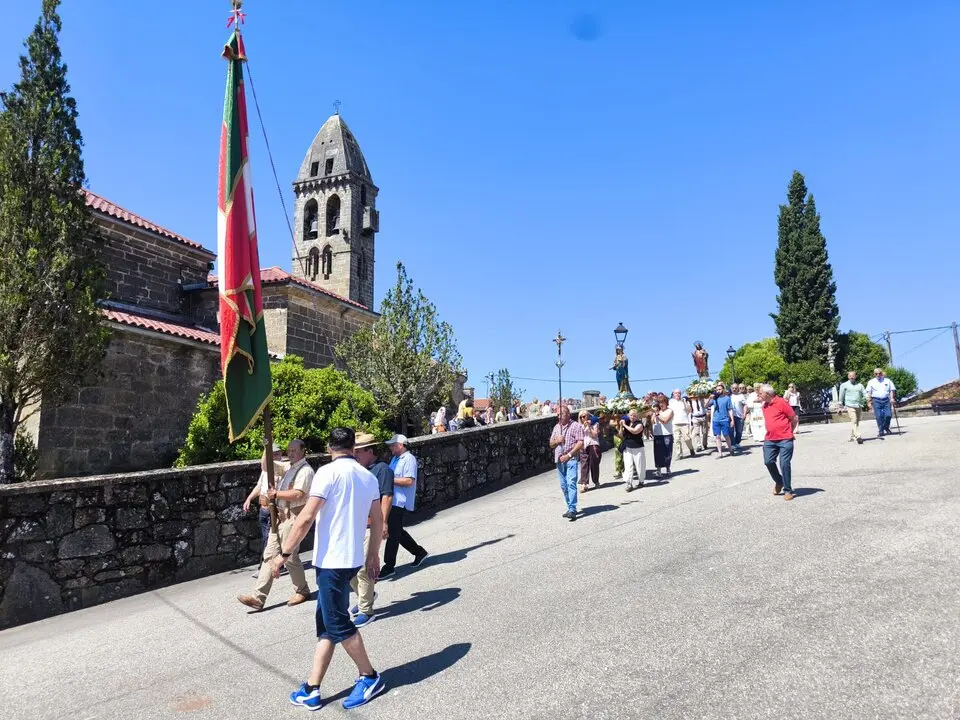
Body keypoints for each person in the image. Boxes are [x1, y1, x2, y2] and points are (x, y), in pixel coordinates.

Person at [277, 427, 386, 711]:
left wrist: (283, 554)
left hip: (332, 562)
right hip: (351, 559)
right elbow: (377, 520)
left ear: (329, 448)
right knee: (327, 623)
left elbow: (306, 517)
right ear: (352, 447)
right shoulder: (368, 476)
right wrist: (373, 555)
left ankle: (370, 676)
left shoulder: (327, 473)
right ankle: (312, 687)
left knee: (338, 624)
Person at [238, 439, 313, 612]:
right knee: (269, 555)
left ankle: (302, 590)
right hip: (280, 517)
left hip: (293, 516)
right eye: (289, 450)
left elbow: (298, 494)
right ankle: (258, 598)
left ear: (303, 451)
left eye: (294, 450)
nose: (290, 453)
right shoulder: (288, 467)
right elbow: (266, 466)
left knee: (290, 556)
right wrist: (267, 446)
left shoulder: (305, 470)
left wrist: (276, 494)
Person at [349, 434, 394, 627]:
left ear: (370, 451)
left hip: (370, 525)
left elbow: (386, 497)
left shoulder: (382, 469)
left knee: (364, 568)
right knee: (349, 568)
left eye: (358, 451)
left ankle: (366, 610)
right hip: (355, 526)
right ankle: (366, 596)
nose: (355, 455)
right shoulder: (358, 470)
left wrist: (382, 523)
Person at [380, 435, 428, 578]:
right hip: (393, 499)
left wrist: (388, 480)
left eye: (392, 445)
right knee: (397, 532)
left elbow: (409, 481)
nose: (390, 448)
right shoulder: (395, 459)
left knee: (393, 533)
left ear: (400, 445)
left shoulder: (409, 459)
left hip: (399, 501)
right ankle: (419, 552)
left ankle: (389, 566)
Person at [242, 443, 289, 572]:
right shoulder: (266, 471)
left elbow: (264, 465)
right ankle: (273, 565)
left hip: (273, 508)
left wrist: (266, 447)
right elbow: (259, 487)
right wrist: (249, 499)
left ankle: (266, 567)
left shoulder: (282, 469)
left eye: (277, 453)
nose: (275, 456)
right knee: (266, 538)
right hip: (263, 508)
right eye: (272, 454)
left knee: (270, 539)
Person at [760, 384, 798, 501]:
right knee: (768, 461)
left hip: (785, 439)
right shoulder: (764, 405)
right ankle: (779, 481)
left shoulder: (782, 402)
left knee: (784, 464)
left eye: (761, 393)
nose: (759, 395)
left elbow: (794, 418)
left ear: (767, 394)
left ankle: (787, 490)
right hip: (770, 439)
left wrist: (790, 431)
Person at [549, 405, 585, 520]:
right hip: (559, 461)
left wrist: (569, 455)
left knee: (571, 483)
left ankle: (572, 509)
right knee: (564, 486)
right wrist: (557, 440)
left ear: (568, 414)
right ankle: (570, 506)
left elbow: (580, 443)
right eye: (558, 414)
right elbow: (551, 444)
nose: (559, 416)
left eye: (561, 414)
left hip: (571, 459)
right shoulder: (556, 427)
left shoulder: (576, 426)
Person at [620, 408, 647, 491]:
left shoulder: (639, 424)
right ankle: (629, 483)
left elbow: (634, 431)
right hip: (627, 446)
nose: (632, 417)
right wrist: (621, 426)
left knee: (640, 465)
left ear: (637, 416)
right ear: (628, 415)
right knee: (628, 465)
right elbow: (621, 435)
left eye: (634, 416)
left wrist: (624, 425)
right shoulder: (627, 422)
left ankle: (641, 481)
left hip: (637, 447)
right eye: (631, 415)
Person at [866, 368, 897, 437]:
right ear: (874, 374)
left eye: (879, 373)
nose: (878, 375)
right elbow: (869, 392)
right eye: (876, 374)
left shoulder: (887, 381)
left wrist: (892, 398)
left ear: (882, 373)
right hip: (876, 400)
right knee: (879, 416)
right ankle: (881, 431)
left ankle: (886, 427)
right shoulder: (871, 382)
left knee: (888, 415)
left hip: (886, 400)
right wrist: (869, 402)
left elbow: (892, 390)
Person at [838, 371, 866, 444]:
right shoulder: (844, 385)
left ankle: (852, 436)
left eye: (853, 376)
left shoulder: (860, 385)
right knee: (854, 420)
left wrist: (867, 397)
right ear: (848, 377)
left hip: (858, 405)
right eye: (850, 376)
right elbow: (841, 395)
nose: (851, 377)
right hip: (849, 405)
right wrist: (840, 405)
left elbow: (864, 393)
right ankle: (858, 436)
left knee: (857, 421)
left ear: (855, 376)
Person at [709, 384, 736, 458]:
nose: (718, 391)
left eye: (720, 389)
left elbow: (730, 409)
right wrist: (709, 399)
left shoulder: (727, 398)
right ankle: (720, 453)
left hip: (725, 419)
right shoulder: (714, 398)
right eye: (717, 390)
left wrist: (732, 420)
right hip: (716, 420)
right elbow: (705, 406)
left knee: (726, 435)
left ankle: (730, 449)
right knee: (717, 436)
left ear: (723, 390)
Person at [578, 410, 601, 492]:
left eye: (584, 416)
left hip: (593, 444)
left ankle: (596, 481)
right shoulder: (579, 426)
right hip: (584, 445)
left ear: (588, 416)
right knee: (584, 465)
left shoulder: (595, 423)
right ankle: (584, 483)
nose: (582, 418)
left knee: (594, 464)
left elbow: (594, 435)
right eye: (581, 417)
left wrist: (589, 427)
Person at [652, 398, 674, 478]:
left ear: (666, 403)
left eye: (663, 403)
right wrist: (653, 415)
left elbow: (665, 420)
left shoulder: (670, 411)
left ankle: (668, 469)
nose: (661, 404)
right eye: (660, 403)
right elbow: (652, 422)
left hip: (667, 434)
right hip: (657, 434)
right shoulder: (657, 411)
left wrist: (657, 414)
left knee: (667, 452)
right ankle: (658, 471)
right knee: (657, 453)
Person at [730, 383, 746, 450]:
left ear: (738, 389)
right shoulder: (729, 396)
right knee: (731, 431)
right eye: (733, 388)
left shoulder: (741, 396)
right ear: (731, 389)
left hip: (740, 415)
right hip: (731, 416)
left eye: (736, 388)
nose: (734, 389)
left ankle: (737, 443)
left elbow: (744, 405)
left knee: (739, 431)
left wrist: (744, 414)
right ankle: (732, 444)